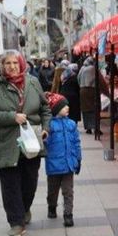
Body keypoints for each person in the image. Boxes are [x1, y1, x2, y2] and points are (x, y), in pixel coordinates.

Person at [0, 50, 51, 236]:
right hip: (6, 142)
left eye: (15, 62)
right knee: (10, 184)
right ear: (1, 66)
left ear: (21, 64)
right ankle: (16, 222)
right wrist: (12, 117)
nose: (12, 66)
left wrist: (45, 127)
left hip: (31, 141)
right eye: (7, 63)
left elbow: (45, 108)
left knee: (30, 182)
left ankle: (24, 208)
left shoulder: (33, 82)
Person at [44, 92, 82, 227]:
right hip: (54, 165)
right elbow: (45, 142)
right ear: (55, 109)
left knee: (68, 191)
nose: (67, 108)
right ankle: (52, 206)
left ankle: (68, 214)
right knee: (52, 190)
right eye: (63, 106)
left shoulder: (71, 124)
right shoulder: (50, 126)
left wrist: (78, 159)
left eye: (67, 106)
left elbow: (77, 142)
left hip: (68, 164)